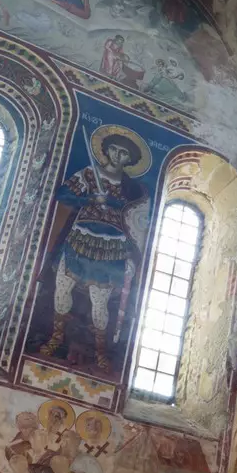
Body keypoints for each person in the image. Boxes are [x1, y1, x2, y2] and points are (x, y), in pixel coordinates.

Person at [37, 128, 152, 374]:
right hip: (80, 238)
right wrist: (89, 200)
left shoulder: (133, 189)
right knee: (62, 288)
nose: (117, 156)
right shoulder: (89, 175)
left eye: (124, 153)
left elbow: (138, 220)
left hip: (111, 248)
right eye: (114, 150)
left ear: (129, 159)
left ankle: (101, 352)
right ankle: (56, 339)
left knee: (99, 303)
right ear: (106, 150)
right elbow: (63, 194)